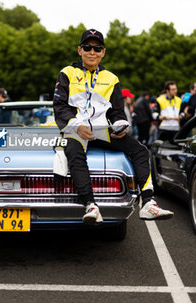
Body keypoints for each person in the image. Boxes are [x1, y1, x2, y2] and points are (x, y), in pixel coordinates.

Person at [53, 28, 173, 225]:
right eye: (87, 47)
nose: (92, 52)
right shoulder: (67, 73)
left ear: (103, 52)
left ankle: (148, 203)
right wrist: (76, 126)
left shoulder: (112, 78)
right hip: (76, 130)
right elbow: (59, 107)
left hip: (101, 130)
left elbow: (117, 112)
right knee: (74, 152)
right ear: (79, 50)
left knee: (141, 151)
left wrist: (120, 126)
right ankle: (90, 205)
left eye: (97, 48)